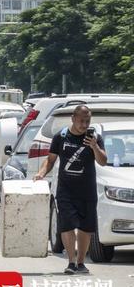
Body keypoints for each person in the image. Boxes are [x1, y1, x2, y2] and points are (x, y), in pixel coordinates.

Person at [34, 105, 106, 274]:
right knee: (67, 225)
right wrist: (41, 173)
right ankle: (71, 262)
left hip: (87, 190)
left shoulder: (95, 137)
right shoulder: (61, 136)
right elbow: (51, 160)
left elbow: (103, 161)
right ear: (73, 119)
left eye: (87, 121)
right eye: (81, 121)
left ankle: (81, 262)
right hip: (65, 190)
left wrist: (94, 146)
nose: (84, 125)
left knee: (85, 228)